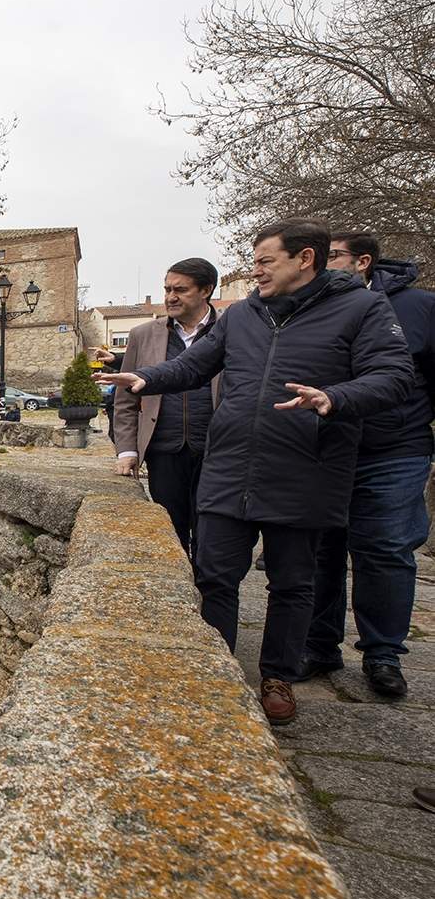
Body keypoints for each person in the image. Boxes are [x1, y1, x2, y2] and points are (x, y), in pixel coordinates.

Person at [97, 218, 413, 726]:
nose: (256, 271)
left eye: (265, 261)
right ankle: (216, 673)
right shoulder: (243, 314)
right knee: (214, 575)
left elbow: (394, 377)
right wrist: (145, 378)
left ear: (304, 259)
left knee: (293, 583)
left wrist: (335, 397)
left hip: (306, 467)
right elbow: (196, 365)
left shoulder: (362, 308)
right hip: (229, 466)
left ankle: (277, 677)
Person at [304, 232, 435, 698]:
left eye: (333, 256)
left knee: (384, 549)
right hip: (326, 447)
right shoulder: (311, 307)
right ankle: (319, 644)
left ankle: (382, 653)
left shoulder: (419, 308)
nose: (322, 263)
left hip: (393, 449)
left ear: (362, 262)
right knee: (321, 549)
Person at [111, 258, 222, 563]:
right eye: (167, 289)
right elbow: (125, 400)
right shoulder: (143, 334)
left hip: (216, 452)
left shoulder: (230, 330)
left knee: (212, 535)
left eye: (180, 290)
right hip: (163, 451)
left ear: (206, 290)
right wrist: (127, 450)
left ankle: (206, 587)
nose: (170, 297)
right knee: (170, 533)